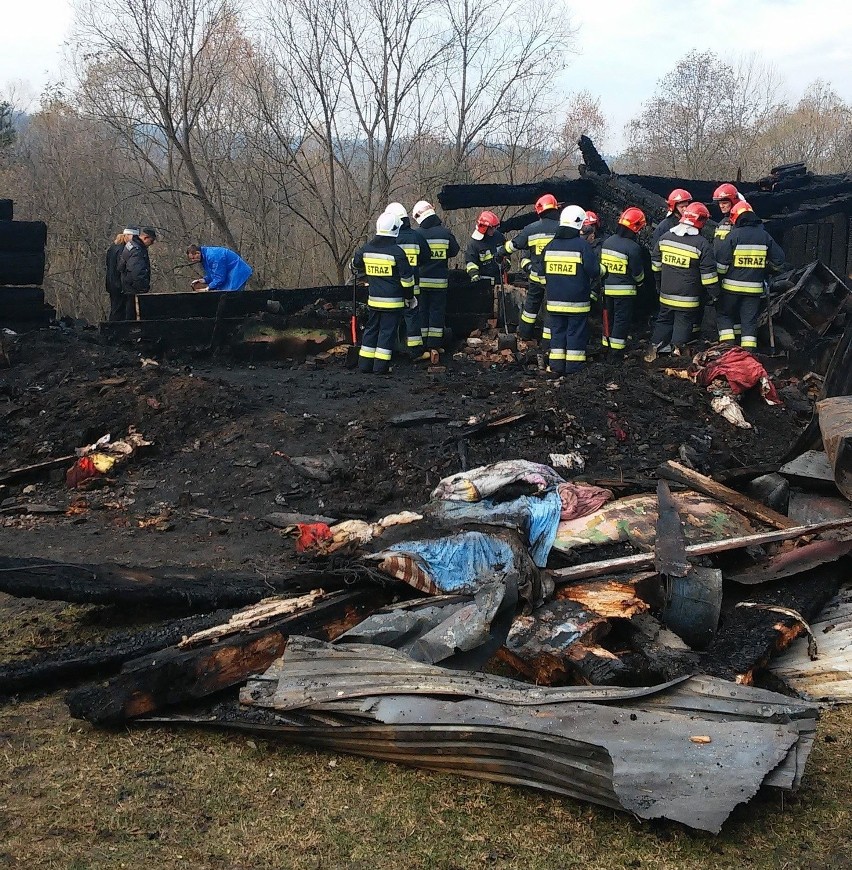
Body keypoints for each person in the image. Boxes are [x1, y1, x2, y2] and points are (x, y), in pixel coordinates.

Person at [646, 203, 718, 361]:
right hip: (688, 299)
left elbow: (656, 266)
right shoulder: (701, 245)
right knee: (682, 324)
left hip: (665, 295)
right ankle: (676, 356)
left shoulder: (664, 239)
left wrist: (659, 284)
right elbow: (709, 278)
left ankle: (654, 350)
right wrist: (715, 295)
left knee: (664, 320)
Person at [716, 200, 785, 350]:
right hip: (754, 290)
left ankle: (727, 350)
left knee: (725, 315)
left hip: (730, 289)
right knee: (748, 322)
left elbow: (721, 265)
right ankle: (748, 354)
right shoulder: (765, 236)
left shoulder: (733, 235)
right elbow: (780, 260)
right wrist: (765, 267)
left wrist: (719, 281)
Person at [351, 212, 415, 375]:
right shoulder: (397, 253)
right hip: (393, 303)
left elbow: (355, 265)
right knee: (387, 333)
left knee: (371, 330)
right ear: (395, 229)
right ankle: (380, 367)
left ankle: (364, 364)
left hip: (373, 301)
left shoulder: (366, 249)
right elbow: (407, 280)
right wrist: (410, 297)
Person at [541, 205, 600, 375]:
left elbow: (541, 271)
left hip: (554, 302)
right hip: (577, 303)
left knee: (557, 335)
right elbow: (594, 271)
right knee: (575, 335)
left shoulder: (550, 246)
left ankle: (556, 367)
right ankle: (574, 370)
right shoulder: (582, 246)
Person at [498, 194, 560, 343]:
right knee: (551, 310)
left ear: (539, 211)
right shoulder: (563, 229)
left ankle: (525, 335)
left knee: (531, 307)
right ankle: (547, 343)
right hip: (556, 278)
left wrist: (500, 252)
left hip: (536, 277)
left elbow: (514, 245)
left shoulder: (531, 229)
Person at [411, 199, 460, 363]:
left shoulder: (417, 234)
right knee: (437, 313)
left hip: (422, 283)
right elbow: (454, 251)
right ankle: (435, 344)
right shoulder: (445, 233)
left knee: (422, 313)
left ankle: (424, 344)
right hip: (439, 282)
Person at [600, 207, 646, 363]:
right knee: (621, 320)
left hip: (607, 289)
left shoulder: (607, 242)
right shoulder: (632, 247)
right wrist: (641, 285)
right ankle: (616, 353)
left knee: (609, 318)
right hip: (625, 292)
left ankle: (606, 346)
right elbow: (637, 273)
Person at [384, 202, 430, 358]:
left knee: (390, 320)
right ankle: (416, 352)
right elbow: (426, 257)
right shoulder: (417, 236)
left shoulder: (389, 240)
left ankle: (390, 351)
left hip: (392, 289)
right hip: (413, 288)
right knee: (412, 319)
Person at [118, 226, 156, 321]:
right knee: (133, 314)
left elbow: (121, 266)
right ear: (145, 238)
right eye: (151, 241)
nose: (151, 244)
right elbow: (137, 271)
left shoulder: (130, 245)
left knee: (129, 311)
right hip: (134, 287)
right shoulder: (137, 250)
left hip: (127, 284)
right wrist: (142, 288)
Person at [186, 244, 253, 292]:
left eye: (193, 258)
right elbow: (213, 274)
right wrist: (203, 280)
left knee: (231, 296)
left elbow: (219, 277)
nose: (193, 261)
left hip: (237, 271)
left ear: (198, 253)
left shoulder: (212, 256)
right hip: (230, 272)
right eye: (191, 259)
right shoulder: (205, 258)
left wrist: (207, 288)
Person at [105, 227, 137, 321]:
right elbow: (121, 268)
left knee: (115, 309)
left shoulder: (113, 248)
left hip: (111, 283)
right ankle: (115, 331)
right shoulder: (123, 250)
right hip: (119, 284)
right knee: (120, 311)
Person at [465, 210, 505, 286]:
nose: (493, 230)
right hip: (484, 282)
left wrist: (507, 263)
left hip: (499, 280)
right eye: (491, 228)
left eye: (494, 228)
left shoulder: (498, 237)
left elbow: (506, 252)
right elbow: (470, 262)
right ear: (484, 228)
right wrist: (474, 274)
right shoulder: (474, 244)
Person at [712, 183, 742, 255]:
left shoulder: (740, 222)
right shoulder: (722, 222)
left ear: (733, 201)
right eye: (720, 203)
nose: (721, 206)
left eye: (724, 203)